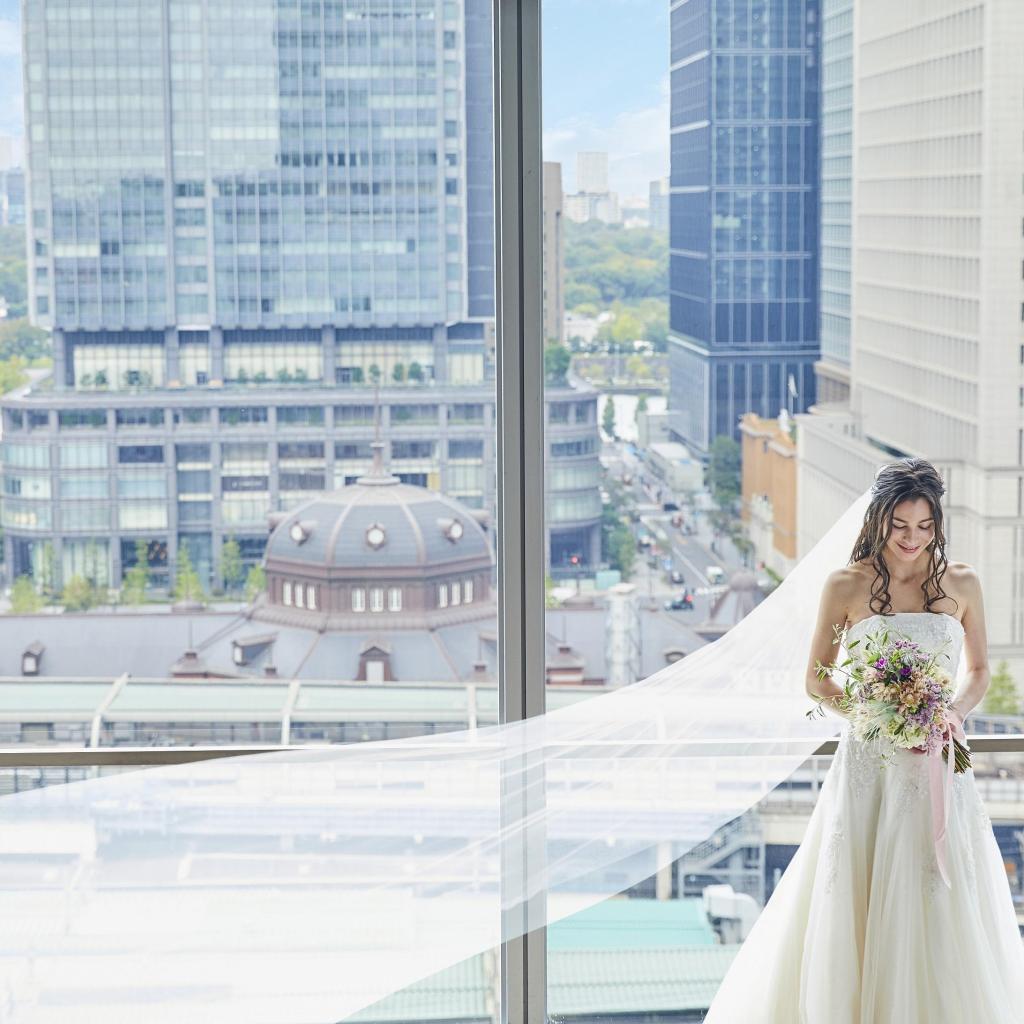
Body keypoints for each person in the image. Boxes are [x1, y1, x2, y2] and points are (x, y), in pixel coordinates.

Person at [703, 457, 1024, 1022]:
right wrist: (876, 713)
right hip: (869, 763)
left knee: (940, 889)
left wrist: (949, 713)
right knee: (858, 888)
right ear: (879, 518)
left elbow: (978, 673)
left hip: (940, 761)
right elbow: (816, 677)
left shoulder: (963, 582)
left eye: (925, 527)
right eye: (901, 525)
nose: (912, 538)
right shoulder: (846, 584)